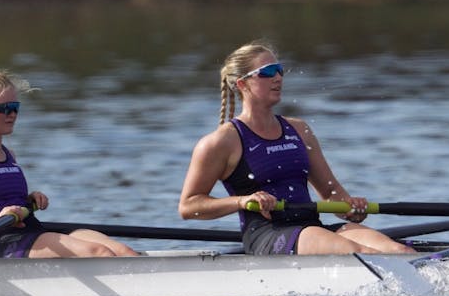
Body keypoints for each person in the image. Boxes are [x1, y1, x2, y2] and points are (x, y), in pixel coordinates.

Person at [178, 41, 415, 255]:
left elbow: (333, 195)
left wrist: (352, 208)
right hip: (268, 235)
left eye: (280, 70)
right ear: (243, 84)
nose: (278, 77)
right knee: (364, 254)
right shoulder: (221, 142)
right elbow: (189, 207)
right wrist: (242, 201)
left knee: (398, 251)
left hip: (311, 228)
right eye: (268, 72)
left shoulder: (300, 130)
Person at [0, 67, 137, 257]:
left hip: (30, 232)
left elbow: (0, 197)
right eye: (4, 108)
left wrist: (28, 201)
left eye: (15, 106)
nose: (13, 114)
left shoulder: (9, 154)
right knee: (99, 253)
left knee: (123, 252)